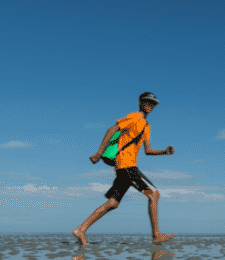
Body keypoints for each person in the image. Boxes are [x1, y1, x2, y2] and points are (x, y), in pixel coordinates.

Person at [72, 92, 177, 247]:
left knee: (113, 203)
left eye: (152, 103)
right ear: (140, 102)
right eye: (147, 102)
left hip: (124, 168)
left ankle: (81, 229)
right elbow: (112, 129)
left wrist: (164, 152)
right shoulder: (135, 117)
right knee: (154, 194)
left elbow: (147, 150)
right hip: (127, 166)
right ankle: (157, 235)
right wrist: (99, 152)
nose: (150, 105)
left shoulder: (146, 126)